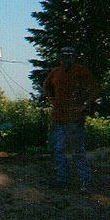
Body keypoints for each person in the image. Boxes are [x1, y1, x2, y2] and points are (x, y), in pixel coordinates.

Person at [43, 47, 98, 193]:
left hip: (75, 118)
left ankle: (85, 182)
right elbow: (46, 87)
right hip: (58, 118)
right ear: (60, 57)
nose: (67, 58)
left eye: (70, 56)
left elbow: (94, 89)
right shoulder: (55, 72)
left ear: (74, 57)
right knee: (57, 149)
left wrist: (84, 105)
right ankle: (62, 179)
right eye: (64, 56)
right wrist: (51, 100)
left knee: (77, 151)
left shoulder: (81, 71)